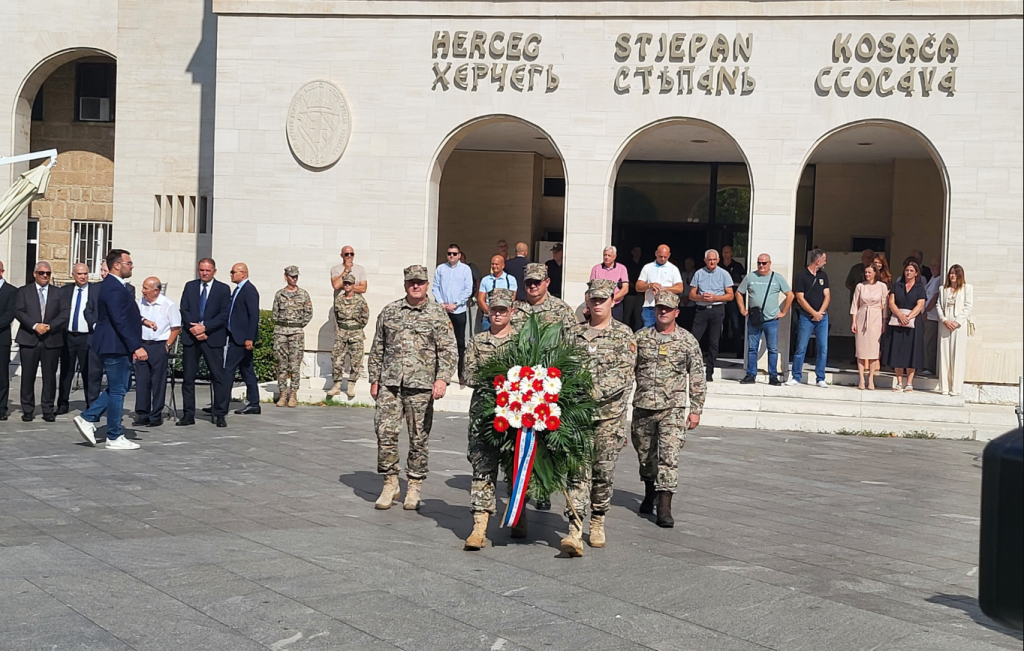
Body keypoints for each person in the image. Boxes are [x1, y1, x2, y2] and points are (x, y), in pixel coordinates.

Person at [368, 265, 457, 511]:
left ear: (427, 284)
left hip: (421, 385)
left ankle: (415, 484)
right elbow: (378, 347)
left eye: (419, 282)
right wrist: (374, 378)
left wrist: (442, 379)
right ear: (405, 284)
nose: (415, 286)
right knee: (385, 433)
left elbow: (448, 350)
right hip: (390, 383)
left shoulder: (437, 314)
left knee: (418, 437)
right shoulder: (390, 311)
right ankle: (390, 482)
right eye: (411, 282)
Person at [560, 279, 636, 557]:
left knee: (603, 473)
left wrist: (586, 391)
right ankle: (574, 527)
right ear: (587, 300)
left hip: (608, 419)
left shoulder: (624, 335)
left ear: (612, 301)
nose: (597, 304)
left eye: (602, 300)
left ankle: (598, 517)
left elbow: (622, 375)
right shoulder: (572, 334)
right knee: (576, 472)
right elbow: (561, 368)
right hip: (578, 418)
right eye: (593, 299)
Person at [632, 291, 705, 528]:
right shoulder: (640, 338)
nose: (663, 312)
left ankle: (665, 504)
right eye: (659, 307)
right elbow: (625, 371)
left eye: (668, 308)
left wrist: (695, 408)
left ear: (676, 312)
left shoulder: (687, 340)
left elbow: (697, 375)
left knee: (669, 456)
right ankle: (650, 489)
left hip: (672, 409)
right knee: (646, 456)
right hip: (643, 407)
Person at [72, 250, 147, 450]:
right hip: (115, 345)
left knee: (117, 388)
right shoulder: (113, 288)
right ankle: (113, 434)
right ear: (117, 265)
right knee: (117, 391)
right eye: (128, 263)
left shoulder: (115, 286)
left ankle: (88, 418)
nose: (131, 266)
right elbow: (119, 319)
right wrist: (136, 346)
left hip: (116, 344)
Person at [462, 288, 517, 551]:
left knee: (516, 468)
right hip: (484, 415)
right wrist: (500, 381)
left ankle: (519, 514)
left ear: (512, 312)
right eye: (494, 309)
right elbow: (469, 375)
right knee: (482, 467)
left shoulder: (522, 342)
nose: (497, 314)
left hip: (516, 415)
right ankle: (479, 526)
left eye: (503, 310)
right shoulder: (476, 341)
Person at [178, 258, 231, 427]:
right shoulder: (190, 286)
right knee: (188, 378)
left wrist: (205, 328)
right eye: (201, 270)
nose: (204, 273)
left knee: (218, 377)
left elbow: (224, 314)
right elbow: (184, 309)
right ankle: (188, 414)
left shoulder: (223, 289)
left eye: (208, 270)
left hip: (212, 338)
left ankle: (220, 413)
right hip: (191, 337)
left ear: (214, 271)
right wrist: (194, 329)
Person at [14, 261, 70, 422]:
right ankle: (28, 409)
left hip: (51, 339)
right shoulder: (24, 291)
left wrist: (49, 326)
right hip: (29, 339)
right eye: (41, 273)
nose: (45, 276)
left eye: (48, 273)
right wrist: (34, 325)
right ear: (34, 274)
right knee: (28, 376)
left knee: (49, 377)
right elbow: (19, 311)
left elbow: (65, 313)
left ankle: (47, 409)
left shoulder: (58, 293)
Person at [736, 254, 793, 385]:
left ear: (769, 263)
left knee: (772, 348)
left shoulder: (777, 278)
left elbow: (790, 295)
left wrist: (783, 311)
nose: (761, 266)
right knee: (752, 348)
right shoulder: (750, 276)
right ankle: (751, 375)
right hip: (754, 319)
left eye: (764, 263)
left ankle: (773, 375)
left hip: (771, 320)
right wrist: (742, 309)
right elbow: (739, 292)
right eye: (759, 263)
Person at [134, 276, 181, 427]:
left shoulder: (168, 305)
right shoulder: (139, 303)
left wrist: (167, 345)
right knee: (142, 381)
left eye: (146, 288)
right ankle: (142, 414)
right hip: (142, 344)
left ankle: (155, 415)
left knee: (158, 382)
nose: (143, 291)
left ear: (156, 291)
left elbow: (176, 327)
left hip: (159, 345)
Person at [57, 263, 99, 414]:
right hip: (68, 336)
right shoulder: (66, 291)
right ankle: (62, 403)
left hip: (86, 337)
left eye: (85, 274)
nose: (83, 277)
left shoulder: (95, 291)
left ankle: (91, 405)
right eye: (80, 274)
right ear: (73, 275)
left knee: (88, 372)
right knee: (66, 371)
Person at [687, 249, 734, 382]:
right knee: (694, 339)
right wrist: (701, 297)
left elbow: (730, 295)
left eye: (714, 260)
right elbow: (691, 294)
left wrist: (715, 297)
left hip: (717, 308)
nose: (712, 262)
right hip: (701, 309)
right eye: (709, 260)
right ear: (705, 261)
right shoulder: (699, 273)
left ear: (718, 260)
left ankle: (709, 372)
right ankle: (691, 368)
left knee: (714, 341)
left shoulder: (724, 274)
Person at [787, 249, 831, 388]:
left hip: (822, 318)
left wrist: (820, 312)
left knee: (823, 348)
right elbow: (800, 298)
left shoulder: (823, 275)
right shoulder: (801, 275)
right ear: (818, 261)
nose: (825, 262)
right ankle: (796, 376)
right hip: (806, 317)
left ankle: (820, 377)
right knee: (801, 347)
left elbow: (827, 295)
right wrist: (813, 313)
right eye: (824, 259)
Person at [881, 260, 927, 392]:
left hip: (913, 323)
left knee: (912, 351)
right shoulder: (898, 285)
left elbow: (920, 305)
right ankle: (899, 382)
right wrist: (900, 316)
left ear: (916, 273)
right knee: (898, 350)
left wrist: (908, 317)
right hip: (898, 321)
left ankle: (910, 382)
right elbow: (891, 302)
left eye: (911, 270)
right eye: (907, 270)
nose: (908, 272)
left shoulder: (919, 287)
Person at [222, 263, 261, 417]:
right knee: (247, 371)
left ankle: (221, 405)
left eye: (233, 272)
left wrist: (249, 338)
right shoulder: (238, 290)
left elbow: (253, 316)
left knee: (228, 370)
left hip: (242, 339)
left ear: (243, 273)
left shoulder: (249, 290)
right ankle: (254, 403)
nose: (231, 274)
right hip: (235, 336)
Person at [432, 243, 474, 383]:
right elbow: (435, 287)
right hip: (443, 311)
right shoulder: (441, 268)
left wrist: (455, 304)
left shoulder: (465, 269)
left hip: (458, 310)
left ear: (459, 255)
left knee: (460, 342)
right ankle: (441, 375)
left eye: (454, 254)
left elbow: (468, 289)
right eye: (449, 253)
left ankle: (461, 373)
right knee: (441, 342)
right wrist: (442, 303)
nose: (451, 256)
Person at [272, 266, 313, 407]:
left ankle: (293, 394)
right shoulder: (280, 294)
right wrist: (283, 326)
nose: (294, 279)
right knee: (281, 364)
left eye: (296, 276)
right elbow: (274, 313)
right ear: (286, 276)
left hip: (296, 333)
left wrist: (298, 326)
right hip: (281, 332)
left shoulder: (303, 294)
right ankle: (283, 394)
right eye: (291, 276)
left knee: (295, 365)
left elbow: (309, 313)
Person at [327, 273, 369, 399]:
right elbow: (337, 316)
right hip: (341, 334)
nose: (347, 285)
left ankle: (351, 384)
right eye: (345, 283)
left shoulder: (360, 300)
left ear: (353, 285)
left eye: (349, 283)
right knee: (336, 359)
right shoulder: (338, 300)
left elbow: (365, 317)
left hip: (356, 334)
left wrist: (356, 328)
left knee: (356, 360)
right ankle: (337, 385)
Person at [936, 264, 973, 396]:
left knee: (957, 354)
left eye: (955, 273)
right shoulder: (943, 289)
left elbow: (968, 306)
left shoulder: (966, 289)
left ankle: (956, 388)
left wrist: (957, 322)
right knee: (944, 353)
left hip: (959, 323)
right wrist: (944, 319)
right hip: (946, 321)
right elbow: (939, 305)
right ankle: (944, 387)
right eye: (951, 273)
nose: (953, 275)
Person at [849, 264, 888, 390]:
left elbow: (885, 305)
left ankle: (871, 379)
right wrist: (854, 321)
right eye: (866, 272)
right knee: (860, 348)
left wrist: (884, 321)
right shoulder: (860, 286)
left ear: (875, 273)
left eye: (869, 272)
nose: (867, 274)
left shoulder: (882, 286)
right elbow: (855, 304)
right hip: (862, 316)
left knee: (873, 349)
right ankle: (861, 378)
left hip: (876, 317)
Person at [512, 263, 576, 330]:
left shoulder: (561, 309)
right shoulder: (514, 308)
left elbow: (572, 335)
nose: (532, 286)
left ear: (547, 282)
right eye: (528, 282)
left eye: (537, 282)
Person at [636, 245, 683, 329]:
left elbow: (680, 288)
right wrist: (650, 286)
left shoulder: (673, 269)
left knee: (665, 331)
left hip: (667, 307)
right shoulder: (647, 267)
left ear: (669, 255)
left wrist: (662, 289)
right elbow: (638, 287)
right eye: (661, 256)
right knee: (648, 332)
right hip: (650, 306)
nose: (663, 259)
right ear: (656, 254)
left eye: (665, 257)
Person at [590, 246, 630, 323]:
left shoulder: (622, 268)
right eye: (605, 255)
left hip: (616, 305)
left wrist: (610, 300)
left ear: (614, 256)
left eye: (609, 255)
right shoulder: (596, 268)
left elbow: (625, 289)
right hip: (599, 305)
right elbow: (591, 288)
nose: (606, 257)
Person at [477, 255, 517, 331]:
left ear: (503, 266)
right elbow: (480, 299)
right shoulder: (485, 280)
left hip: (504, 316)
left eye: (497, 264)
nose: (494, 266)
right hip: (488, 318)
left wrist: (503, 313)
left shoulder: (511, 279)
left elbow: (512, 298)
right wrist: (490, 312)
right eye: (493, 264)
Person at [721, 246, 747, 358]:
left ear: (732, 253)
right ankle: (720, 348)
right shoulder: (718, 266)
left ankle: (739, 351)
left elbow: (743, 282)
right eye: (724, 252)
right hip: (719, 298)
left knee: (736, 325)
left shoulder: (738, 266)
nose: (726, 254)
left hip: (734, 299)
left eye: (728, 252)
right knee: (720, 324)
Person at [0, 260, 17, 421]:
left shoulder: (11, 291)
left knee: (2, 375)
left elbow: (9, 314)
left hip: (1, 338)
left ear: (2, 271)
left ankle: (1, 408)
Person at [922, 260, 943, 375]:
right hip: (927, 315)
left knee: (929, 342)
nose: (932, 267)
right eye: (931, 265)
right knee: (926, 341)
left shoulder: (939, 279)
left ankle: (930, 367)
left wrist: (926, 311)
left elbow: (935, 297)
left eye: (935, 265)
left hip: (932, 316)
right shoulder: (932, 278)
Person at [622, 246, 645, 332]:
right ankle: (625, 333)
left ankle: (637, 334)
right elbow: (625, 279)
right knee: (627, 316)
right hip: (630, 293)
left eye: (639, 251)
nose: (638, 253)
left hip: (641, 294)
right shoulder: (627, 265)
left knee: (639, 316)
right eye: (636, 251)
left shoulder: (643, 265)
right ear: (632, 252)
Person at [679, 257, 697, 331]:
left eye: (688, 264)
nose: (687, 265)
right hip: (682, 302)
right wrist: (682, 297)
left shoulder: (696, 274)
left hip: (692, 303)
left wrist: (688, 297)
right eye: (686, 264)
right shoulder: (683, 274)